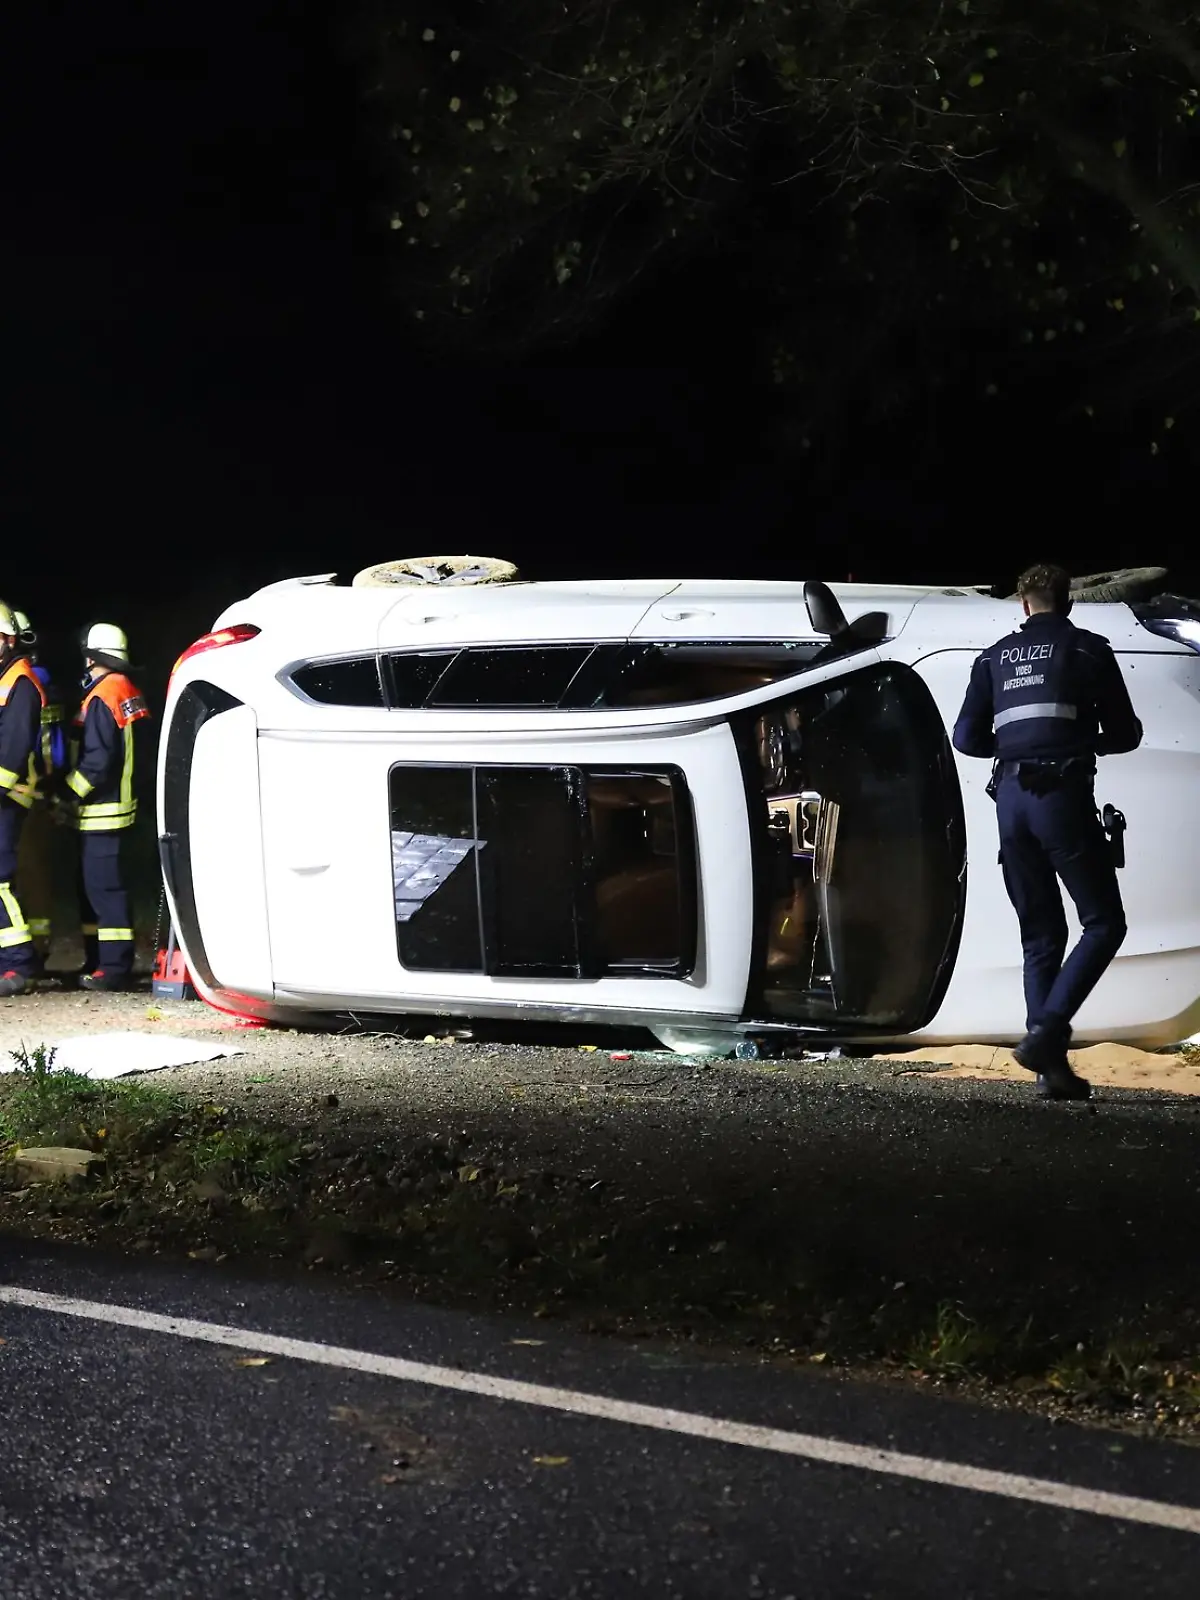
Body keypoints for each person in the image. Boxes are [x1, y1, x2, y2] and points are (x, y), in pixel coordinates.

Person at [952, 562, 1143, 1100]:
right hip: (1060, 795)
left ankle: (1050, 1073)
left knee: (1040, 937)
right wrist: (1077, 743)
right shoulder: (1087, 649)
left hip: (1009, 801)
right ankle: (1045, 1035)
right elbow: (1125, 733)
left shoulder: (991, 658)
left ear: (1023, 604)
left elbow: (966, 739)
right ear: (1068, 602)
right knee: (1104, 923)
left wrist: (1016, 750)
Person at [60, 623, 151, 991]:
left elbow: (98, 761)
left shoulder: (102, 696)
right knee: (107, 887)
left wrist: (68, 792)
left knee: (104, 890)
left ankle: (114, 968)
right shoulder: (127, 690)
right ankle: (102, 960)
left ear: (92, 657)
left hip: (103, 811)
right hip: (125, 806)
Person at [0, 601, 49, 996]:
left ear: (9, 640)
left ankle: (19, 963)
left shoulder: (20, 682)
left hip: (7, 795)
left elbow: (13, 750)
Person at [13, 608, 67, 959]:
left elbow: (49, 749)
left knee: (24, 872)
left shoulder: (27, 685)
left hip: (24, 792)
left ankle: (29, 951)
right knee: (32, 875)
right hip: (36, 791)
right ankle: (36, 946)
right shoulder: (39, 682)